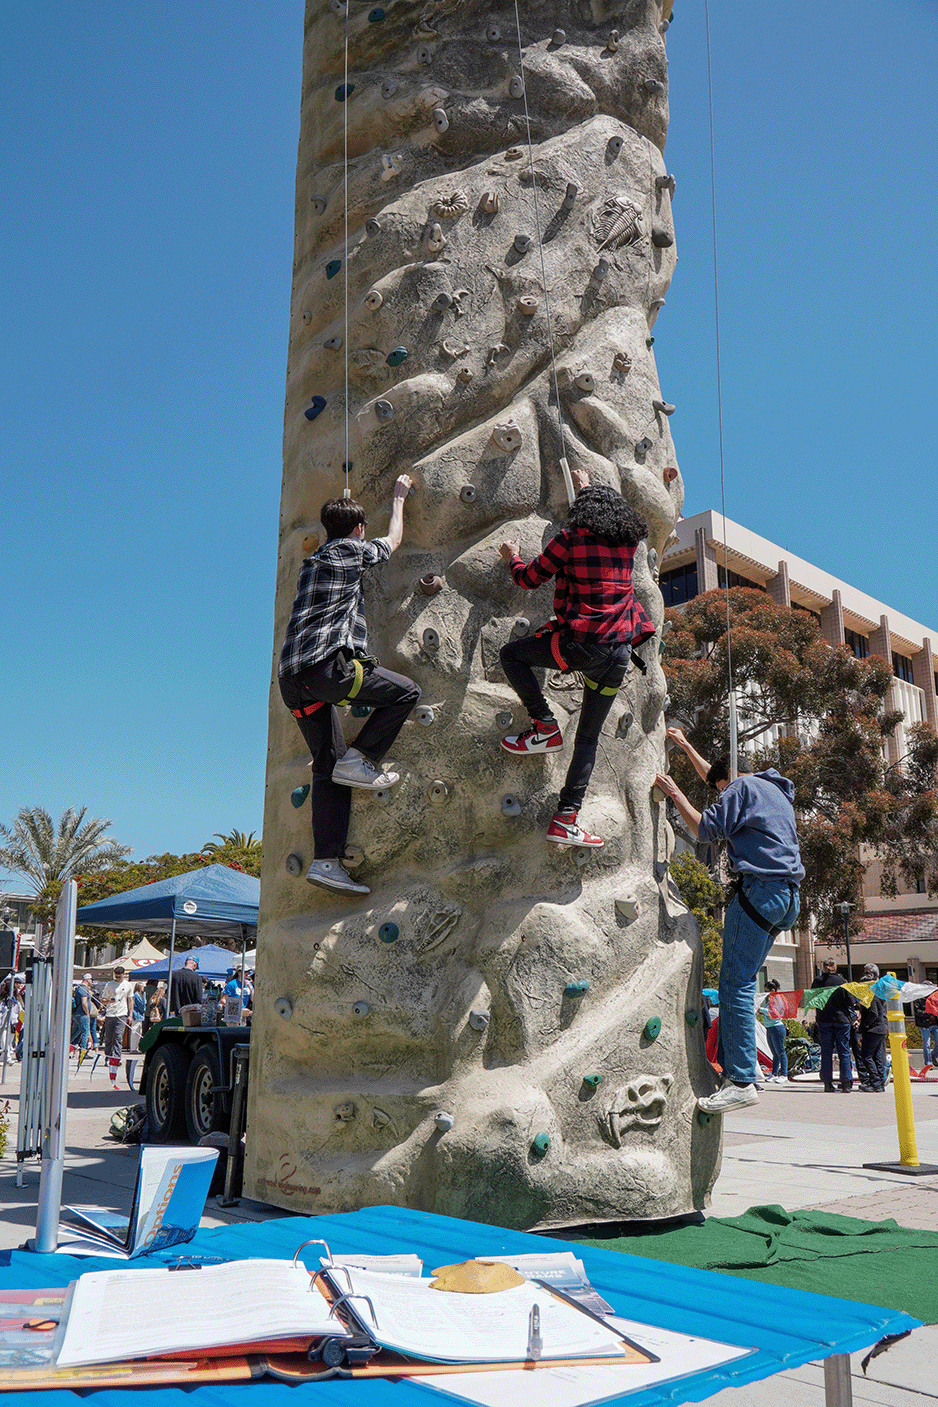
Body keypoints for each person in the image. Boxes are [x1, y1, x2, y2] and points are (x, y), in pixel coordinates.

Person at [278, 476, 421, 896]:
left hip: (293, 681)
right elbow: (392, 541)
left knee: (327, 769)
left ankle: (326, 861)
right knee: (406, 691)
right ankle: (362, 760)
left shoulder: (315, 561)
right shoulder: (351, 551)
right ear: (358, 530)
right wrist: (398, 499)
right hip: (326, 671)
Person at [498, 471, 656, 849]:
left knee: (511, 655)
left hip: (580, 645)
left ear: (582, 513)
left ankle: (545, 726)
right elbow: (604, 518)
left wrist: (512, 557)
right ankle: (566, 819)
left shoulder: (568, 540)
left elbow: (529, 580)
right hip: (618, 654)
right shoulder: (630, 544)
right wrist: (586, 488)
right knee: (587, 738)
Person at [655, 729, 803, 1114]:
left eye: (721, 790)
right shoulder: (773, 790)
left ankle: (740, 1079)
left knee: (734, 985)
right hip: (787, 899)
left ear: (731, 781)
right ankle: (742, 1070)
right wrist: (687, 746)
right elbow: (719, 777)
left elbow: (705, 828)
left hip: (760, 892)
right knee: (742, 982)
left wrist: (675, 794)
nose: (720, 795)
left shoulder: (738, 788)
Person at [807, 958, 859, 1092]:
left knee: (826, 1051)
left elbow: (812, 1000)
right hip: (841, 1020)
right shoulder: (842, 982)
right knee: (844, 1051)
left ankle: (827, 1083)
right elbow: (850, 1001)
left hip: (824, 1019)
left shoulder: (818, 982)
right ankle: (846, 1082)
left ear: (824, 967)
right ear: (835, 967)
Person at [856, 963, 888, 1092]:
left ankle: (875, 1082)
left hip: (874, 1029)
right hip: (879, 1028)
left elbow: (873, 1014)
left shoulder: (872, 996)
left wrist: (864, 1026)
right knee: (876, 1056)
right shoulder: (870, 997)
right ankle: (879, 1081)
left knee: (867, 1056)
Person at [100, 964, 133, 1087]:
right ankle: (108, 1056)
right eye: (116, 976)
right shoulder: (109, 985)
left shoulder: (128, 985)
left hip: (122, 1014)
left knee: (118, 1036)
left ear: (123, 975)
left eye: (119, 977)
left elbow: (130, 1000)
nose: (117, 978)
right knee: (109, 1037)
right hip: (110, 1013)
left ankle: (116, 1058)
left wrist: (130, 1014)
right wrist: (109, 1001)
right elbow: (103, 999)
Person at [760, 980, 789, 1082]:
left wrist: (762, 1010)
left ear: (773, 990)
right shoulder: (770, 999)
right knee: (775, 1053)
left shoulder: (778, 999)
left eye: (767, 991)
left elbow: (775, 1013)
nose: (766, 993)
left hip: (777, 1028)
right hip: (770, 1028)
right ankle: (774, 1074)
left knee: (781, 1052)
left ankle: (784, 1075)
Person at [913, 991, 938, 1068]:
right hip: (924, 1025)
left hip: (935, 1024)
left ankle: (933, 1055)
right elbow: (917, 1011)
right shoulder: (918, 998)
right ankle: (928, 1063)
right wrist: (929, 1013)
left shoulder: (935, 998)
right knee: (926, 1044)